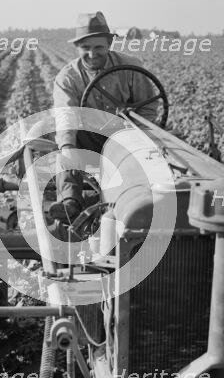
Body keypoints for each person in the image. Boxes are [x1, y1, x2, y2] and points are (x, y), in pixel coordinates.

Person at [50, 11, 159, 223]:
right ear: (77, 48)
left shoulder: (131, 67)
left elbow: (148, 107)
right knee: (67, 147)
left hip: (127, 134)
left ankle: (145, 200)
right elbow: (66, 116)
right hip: (89, 137)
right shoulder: (68, 77)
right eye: (86, 48)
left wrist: (135, 134)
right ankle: (69, 202)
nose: (92, 54)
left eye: (98, 47)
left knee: (161, 150)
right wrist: (67, 148)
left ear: (109, 44)